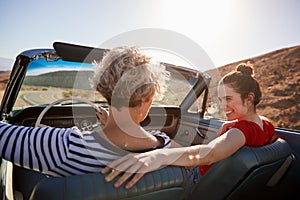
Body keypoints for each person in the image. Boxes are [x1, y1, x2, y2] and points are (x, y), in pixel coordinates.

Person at [0, 46, 179, 176]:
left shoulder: (65, 146)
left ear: (103, 88)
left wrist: (46, 134)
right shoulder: (166, 147)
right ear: (147, 99)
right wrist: (112, 122)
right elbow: (201, 156)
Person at [102, 63, 275, 193]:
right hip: (213, 178)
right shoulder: (265, 124)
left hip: (196, 180)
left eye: (228, 99)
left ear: (249, 99)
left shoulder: (241, 131)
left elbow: (210, 154)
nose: (223, 106)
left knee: (157, 148)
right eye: (221, 100)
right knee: (165, 142)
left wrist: (158, 156)